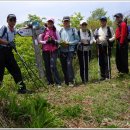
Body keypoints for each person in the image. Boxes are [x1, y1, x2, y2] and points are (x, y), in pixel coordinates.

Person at [0, 14, 31, 94]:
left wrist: (28, 27)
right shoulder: (4, 28)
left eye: (14, 20)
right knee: (0, 72)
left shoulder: (13, 30)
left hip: (9, 52)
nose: (13, 22)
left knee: (16, 70)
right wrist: (8, 43)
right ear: (7, 20)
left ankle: (22, 89)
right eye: (11, 20)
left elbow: (20, 30)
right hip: (1, 52)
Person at [38, 18, 61, 88]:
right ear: (47, 23)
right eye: (49, 22)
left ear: (53, 23)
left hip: (54, 50)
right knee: (47, 66)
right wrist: (46, 42)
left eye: (51, 23)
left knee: (53, 66)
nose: (50, 24)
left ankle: (58, 82)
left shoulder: (55, 30)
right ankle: (50, 82)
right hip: (45, 50)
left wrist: (54, 41)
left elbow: (59, 40)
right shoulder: (43, 30)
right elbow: (39, 40)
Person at [59, 16, 79, 87]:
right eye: (64, 21)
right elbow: (59, 40)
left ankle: (71, 80)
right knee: (64, 66)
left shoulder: (73, 30)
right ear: (63, 22)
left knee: (69, 64)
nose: (66, 22)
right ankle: (66, 81)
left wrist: (69, 43)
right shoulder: (61, 30)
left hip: (70, 50)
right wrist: (60, 43)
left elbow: (77, 40)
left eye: (67, 21)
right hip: (62, 50)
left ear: (69, 22)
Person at [94, 16, 115, 80]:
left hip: (107, 46)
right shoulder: (97, 29)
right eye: (101, 20)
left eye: (104, 20)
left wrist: (110, 40)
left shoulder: (109, 28)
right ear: (100, 22)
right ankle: (102, 76)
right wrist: (96, 41)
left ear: (106, 21)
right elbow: (94, 37)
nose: (102, 22)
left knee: (106, 61)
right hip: (100, 46)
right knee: (101, 61)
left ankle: (107, 76)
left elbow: (114, 36)